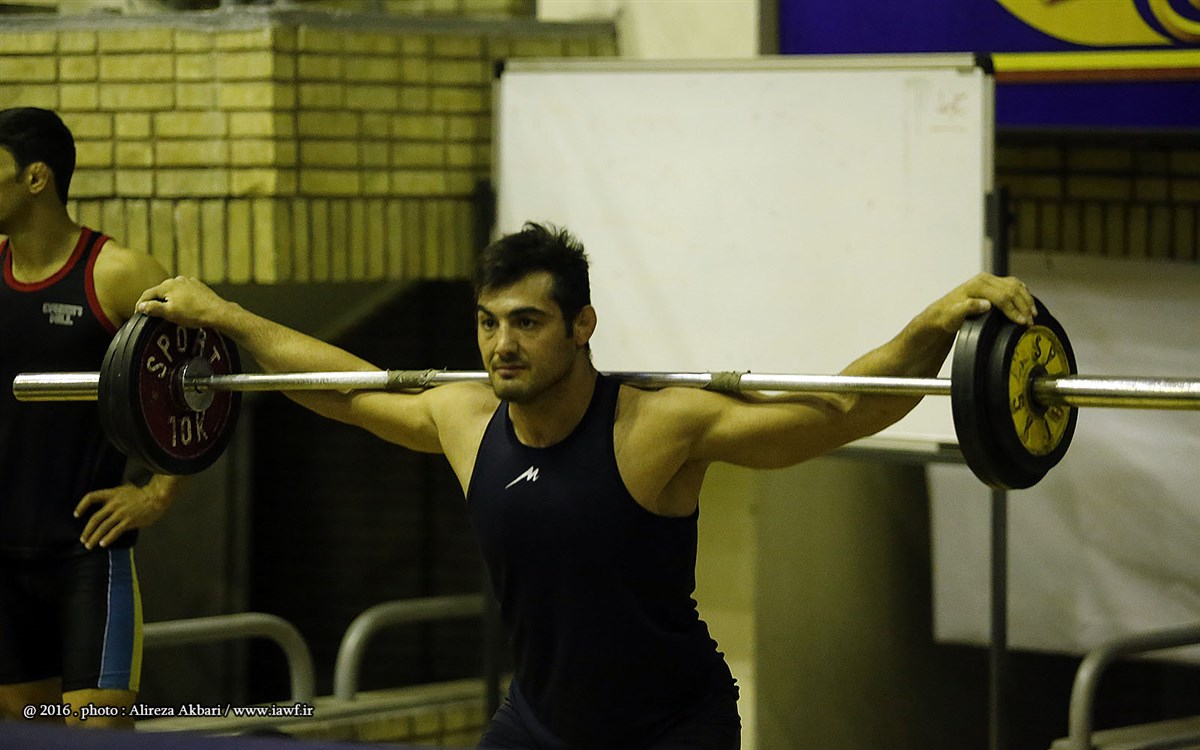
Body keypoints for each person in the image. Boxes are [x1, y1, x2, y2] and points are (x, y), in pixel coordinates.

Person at [136, 222, 1036, 749]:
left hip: (671, 729)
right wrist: (225, 317)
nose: (502, 345)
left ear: (582, 325)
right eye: (488, 323)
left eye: (528, 322)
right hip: (540, 724)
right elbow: (341, 389)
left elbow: (836, 411)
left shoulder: (658, 427)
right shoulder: (465, 421)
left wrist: (935, 326)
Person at [0, 107, 189, 728]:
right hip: (3, 557)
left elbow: (206, 387)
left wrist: (157, 492)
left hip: (85, 552)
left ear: (36, 177)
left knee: (97, 736)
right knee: (23, 736)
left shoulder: (118, 274)